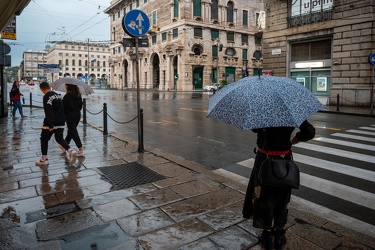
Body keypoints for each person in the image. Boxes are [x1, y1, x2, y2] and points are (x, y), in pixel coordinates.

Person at [242, 121, 315, 250]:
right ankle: (279, 233)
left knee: (263, 197)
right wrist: (298, 137)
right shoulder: (289, 111)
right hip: (284, 161)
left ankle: (267, 234)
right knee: (282, 197)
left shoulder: (262, 110)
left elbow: (254, 129)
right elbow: (309, 131)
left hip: (263, 161)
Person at [36, 82, 77, 166]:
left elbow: (49, 111)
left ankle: (44, 159)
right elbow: (62, 109)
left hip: (51, 122)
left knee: (44, 139)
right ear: (49, 87)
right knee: (59, 139)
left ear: (42, 89)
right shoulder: (58, 95)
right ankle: (71, 151)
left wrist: (50, 124)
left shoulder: (46, 96)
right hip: (61, 121)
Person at [59, 84, 84, 157]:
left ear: (69, 87)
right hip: (77, 116)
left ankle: (81, 149)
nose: (65, 87)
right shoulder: (79, 95)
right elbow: (80, 107)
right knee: (71, 132)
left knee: (73, 132)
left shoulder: (67, 96)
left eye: (66, 86)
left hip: (70, 117)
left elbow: (62, 107)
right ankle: (64, 145)